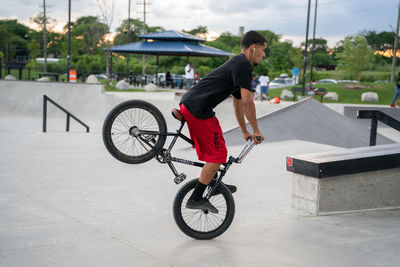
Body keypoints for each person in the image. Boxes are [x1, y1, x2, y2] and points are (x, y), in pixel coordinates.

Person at [179, 30, 266, 213]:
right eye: (263, 50)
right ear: (253, 48)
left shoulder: (238, 63)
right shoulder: (243, 64)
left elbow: (238, 103)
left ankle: (212, 181)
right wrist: (256, 130)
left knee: (219, 148)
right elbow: (248, 101)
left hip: (197, 107)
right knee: (217, 155)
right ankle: (196, 198)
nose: (263, 55)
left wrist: (244, 131)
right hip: (198, 109)